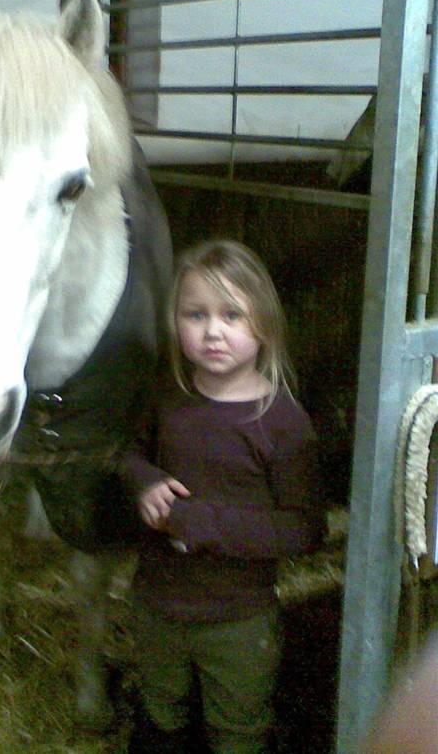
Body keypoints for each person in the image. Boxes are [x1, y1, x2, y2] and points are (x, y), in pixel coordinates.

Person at [120, 239, 325, 754]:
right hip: (157, 603)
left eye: (232, 315)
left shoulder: (283, 422)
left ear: (264, 323)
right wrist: (143, 481)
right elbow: (128, 454)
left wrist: (202, 522)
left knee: (237, 727)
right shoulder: (167, 396)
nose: (213, 331)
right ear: (175, 323)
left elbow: (304, 529)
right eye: (196, 315)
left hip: (238, 619)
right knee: (159, 712)